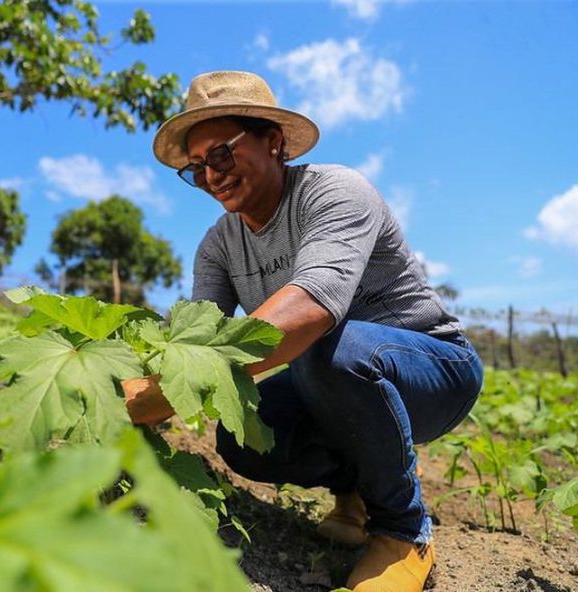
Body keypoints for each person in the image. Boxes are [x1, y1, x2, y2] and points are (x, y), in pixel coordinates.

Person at [123, 71, 484, 592]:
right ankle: (355, 493)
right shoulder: (218, 246)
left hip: (435, 371)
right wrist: (130, 378)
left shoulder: (334, 191)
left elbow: (313, 306)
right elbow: (195, 335)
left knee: (326, 349)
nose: (212, 176)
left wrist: (169, 393)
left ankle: (404, 533)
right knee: (245, 434)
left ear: (273, 141)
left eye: (221, 154)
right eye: (196, 169)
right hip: (332, 378)